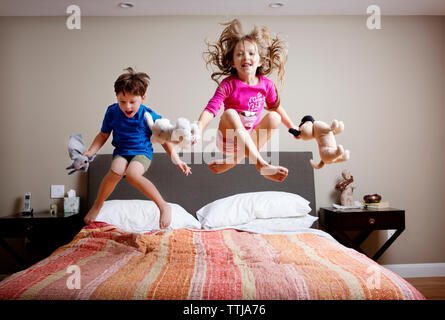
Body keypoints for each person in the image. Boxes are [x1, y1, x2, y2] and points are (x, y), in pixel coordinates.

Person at [83, 67, 191, 228]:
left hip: (142, 152)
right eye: (122, 101)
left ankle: (163, 205)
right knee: (116, 170)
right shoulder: (112, 112)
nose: (127, 107)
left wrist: (177, 160)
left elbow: (165, 140)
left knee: (133, 174)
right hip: (121, 152)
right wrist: (90, 152)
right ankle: (98, 205)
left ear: (143, 98)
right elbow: (103, 135)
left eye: (132, 102)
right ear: (116, 98)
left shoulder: (149, 116)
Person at [196, 19, 299, 182]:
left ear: (260, 60)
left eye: (251, 53)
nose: (246, 57)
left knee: (275, 117)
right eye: (239, 54)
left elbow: (277, 108)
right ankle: (261, 164)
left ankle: (233, 161)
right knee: (229, 113)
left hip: (252, 140)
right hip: (228, 140)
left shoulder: (267, 85)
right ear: (232, 62)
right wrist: (199, 128)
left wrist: (292, 127)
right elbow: (212, 108)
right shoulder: (228, 84)